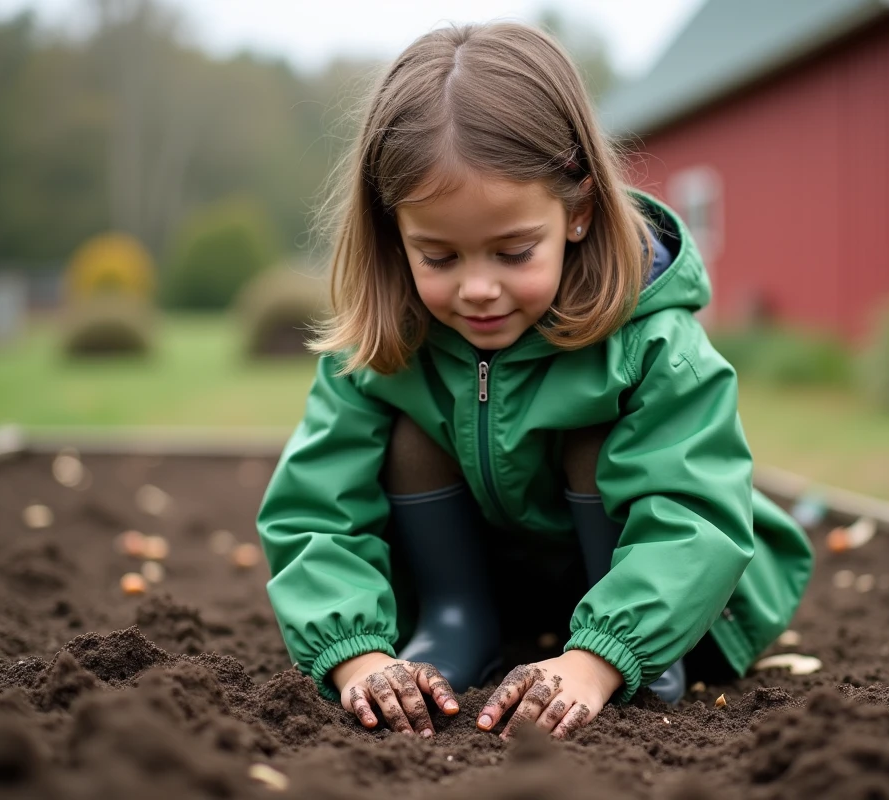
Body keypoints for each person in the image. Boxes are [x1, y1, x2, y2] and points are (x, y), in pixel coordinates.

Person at [256, 21, 813, 742]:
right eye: (440, 256)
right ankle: (459, 625)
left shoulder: (653, 341)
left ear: (577, 211)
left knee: (589, 418)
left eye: (513, 251)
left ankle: (626, 651)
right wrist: (357, 655)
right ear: (395, 231)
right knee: (407, 427)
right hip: (497, 587)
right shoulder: (383, 346)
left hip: (667, 609)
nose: (478, 288)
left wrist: (598, 658)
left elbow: (694, 512)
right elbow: (314, 513)